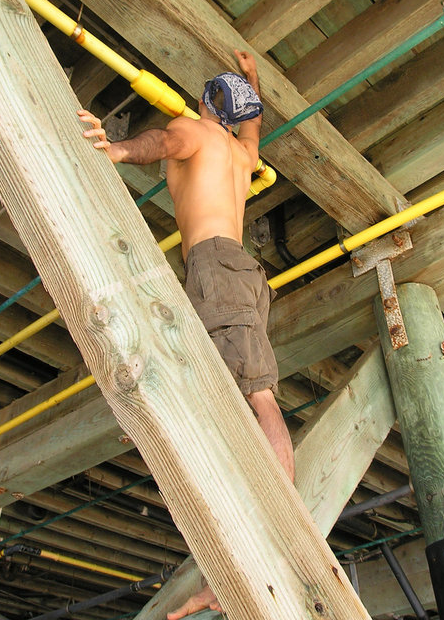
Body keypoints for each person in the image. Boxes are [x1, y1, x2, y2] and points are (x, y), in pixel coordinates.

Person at [78, 50, 293, 619]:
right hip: (236, 271)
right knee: (237, 390)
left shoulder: (194, 130)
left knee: (258, 394)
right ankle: (245, 543)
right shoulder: (243, 154)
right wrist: (252, 80)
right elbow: (251, 123)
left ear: (202, 104)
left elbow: (163, 145)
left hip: (216, 268)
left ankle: (275, 531)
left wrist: (118, 148)